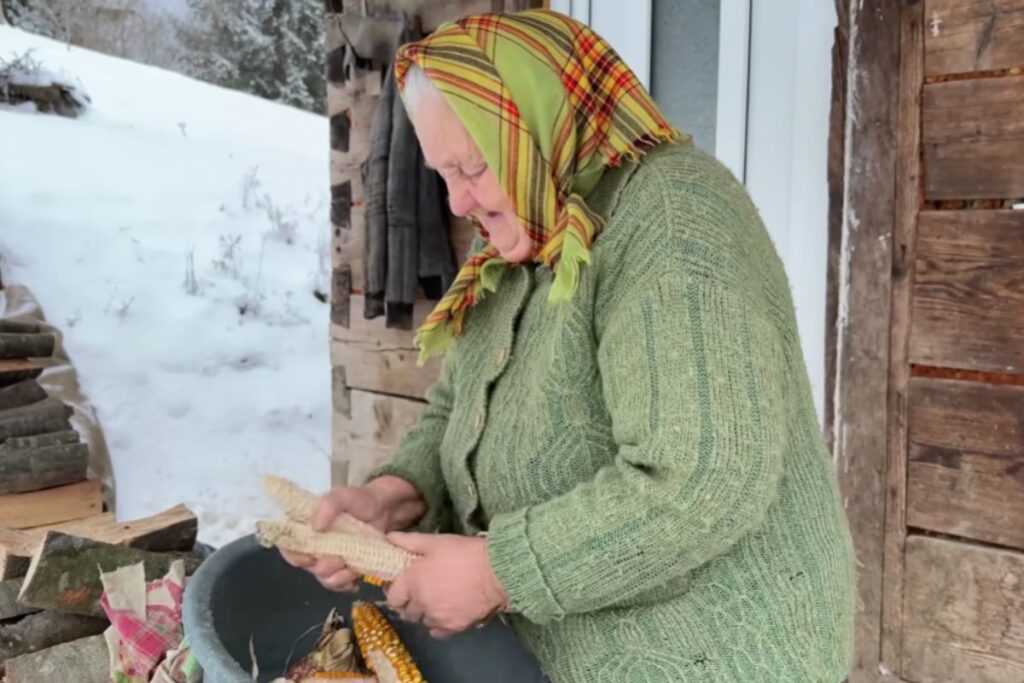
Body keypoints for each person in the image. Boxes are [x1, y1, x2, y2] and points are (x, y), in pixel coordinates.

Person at [282, 8, 856, 682]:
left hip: (724, 655)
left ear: (537, 123)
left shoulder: (673, 217)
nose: (459, 203)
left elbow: (701, 478)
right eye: (443, 173)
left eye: (471, 166)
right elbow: (454, 414)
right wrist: (393, 494)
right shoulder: (528, 232)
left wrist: (501, 570)